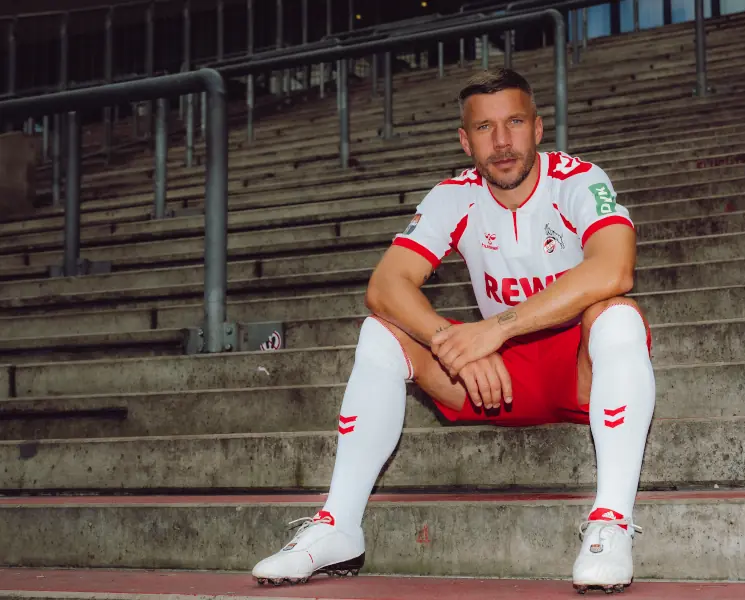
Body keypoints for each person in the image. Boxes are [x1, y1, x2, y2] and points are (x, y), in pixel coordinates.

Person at [252, 68, 656, 593]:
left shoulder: (577, 179)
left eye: (513, 122)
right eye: (485, 128)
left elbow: (614, 270)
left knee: (619, 315)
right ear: (465, 141)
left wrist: (495, 329)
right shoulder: (455, 194)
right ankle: (338, 527)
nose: (502, 141)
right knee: (380, 332)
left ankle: (611, 525)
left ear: (537, 128)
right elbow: (386, 285)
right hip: (495, 382)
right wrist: (455, 342)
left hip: (577, 370)